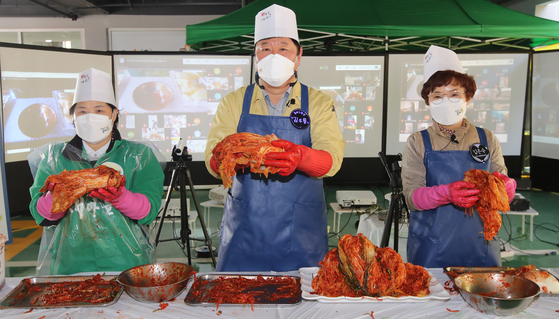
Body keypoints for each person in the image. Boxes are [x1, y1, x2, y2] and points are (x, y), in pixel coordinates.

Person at [204, 4, 344, 272]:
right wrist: (233, 156)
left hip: (302, 231)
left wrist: (300, 156)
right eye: (265, 48)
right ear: (256, 55)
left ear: (298, 56)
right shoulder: (234, 102)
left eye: (283, 48)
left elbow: (333, 159)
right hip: (245, 228)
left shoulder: (317, 102)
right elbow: (213, 157)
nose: (274, 55)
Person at [29, 68, 164, 275]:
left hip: (128, 262)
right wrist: (57, 196)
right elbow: (41, 217)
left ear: (114, 114)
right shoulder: (54, 158)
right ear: (73, 116)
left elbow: (148, 212)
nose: (90, 117)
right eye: (82, 111)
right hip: (71, 264)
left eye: (99, 110)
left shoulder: (138, 155)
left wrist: (121, 197)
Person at [402, 46, 517, 268]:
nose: (446, 101)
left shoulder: (487, 138)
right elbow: (412, 198)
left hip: (481, 246)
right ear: (428, 101)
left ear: (468, 98)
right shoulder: (417, 142)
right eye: (437, 95)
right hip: (430, 247)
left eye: (454, 94)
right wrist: (445, 193)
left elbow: (503, 187)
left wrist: (507, 188)